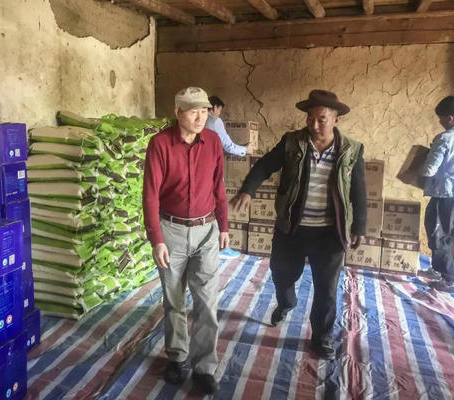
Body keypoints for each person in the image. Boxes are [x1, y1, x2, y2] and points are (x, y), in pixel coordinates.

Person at [230, 89, 366, 360]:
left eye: (321, 119)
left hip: (330, 233)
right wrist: (248, 190)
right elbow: (265, 165)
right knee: (281, 274)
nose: (314, 125)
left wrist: (360, 226)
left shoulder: (352, 150)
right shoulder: (292, 143)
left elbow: (358, 191)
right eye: (310, 118)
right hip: (292, 228)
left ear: (336, 119)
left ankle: (322, 338)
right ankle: (287, 302)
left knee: (327, 289)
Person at [143, 87, 229, 394]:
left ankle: (205, 367)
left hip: (207, 230)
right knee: (174, 300)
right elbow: (150, 194)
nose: (200, 117)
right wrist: (157, 239)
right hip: (172, 231)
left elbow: (219, 185)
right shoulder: (160, 144)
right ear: (177, 112)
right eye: (193, 111)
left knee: (207, 300)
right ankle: (177, 358)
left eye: (204, 111)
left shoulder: (213, 142)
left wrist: (224, 226)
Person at [205, 95, 254, 260]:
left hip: (198, 171)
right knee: (218, 204)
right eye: (219, 110)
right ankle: (222, 245)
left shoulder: (196, 123)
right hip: (212, 169)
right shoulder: (214, 121)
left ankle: (209, 245)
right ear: (214, 107)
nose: (219, 113)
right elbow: (227, 145)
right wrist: (245, 150)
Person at [420, 95, 454, 292]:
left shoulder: (444, 139)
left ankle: (448, 278)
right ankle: (439, 271)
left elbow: (429, 169)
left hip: (444, 193)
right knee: (446, 233)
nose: (440, 121)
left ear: (450, 118)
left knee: (438, 232)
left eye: (441, 118)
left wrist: (416, 168)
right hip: (450, 194)